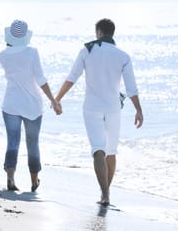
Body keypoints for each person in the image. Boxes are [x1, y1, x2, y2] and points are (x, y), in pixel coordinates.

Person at [55, 18, 143, 206]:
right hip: (113, 109)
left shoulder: (87, 51)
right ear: (112, 33)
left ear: (99, 32)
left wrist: (58, 98)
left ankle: (105, 194)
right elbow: (131, 88)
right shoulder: (123, 56)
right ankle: (106, 193)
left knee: (98, 150)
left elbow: (72, 78)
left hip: (92, 108)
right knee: (111, 152)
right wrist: (138, 110)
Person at [0, 19, 62, 192]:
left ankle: (10, 178)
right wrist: (53, 100)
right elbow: (40, 79)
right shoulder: (32, 52)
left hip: (11, 103)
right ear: (25, 36)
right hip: (32, 104)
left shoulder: (2, 55)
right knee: (32, 143)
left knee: (13, 141)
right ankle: (34, 181)